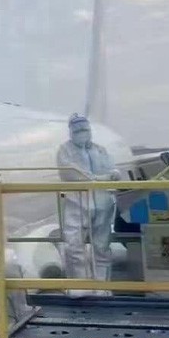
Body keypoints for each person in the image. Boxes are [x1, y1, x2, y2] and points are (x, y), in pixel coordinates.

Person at [56, 113, 119, 296]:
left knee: (101, 247)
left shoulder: (100, 150)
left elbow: (113, 171)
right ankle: (80, 285)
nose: (82, 133)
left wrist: (111, 175)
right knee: (73, 245)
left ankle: (102, 287)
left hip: (102, 204)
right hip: (77, 203)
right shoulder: (65, 150)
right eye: (78, 130)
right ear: (71, 132)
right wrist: (101, 178)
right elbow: (71, 174)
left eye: (84, 129)